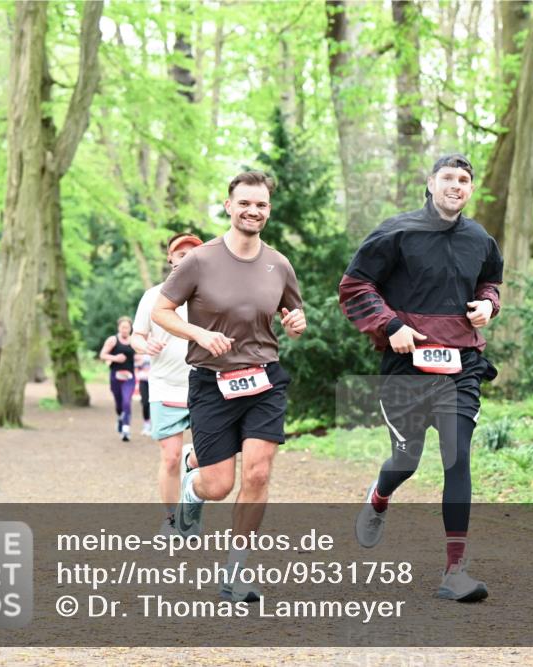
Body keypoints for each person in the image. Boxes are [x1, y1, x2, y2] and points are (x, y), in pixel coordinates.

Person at [338, 154, 503, 602]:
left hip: (461, 363)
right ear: (430, 183)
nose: (456, 185)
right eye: (448, 177)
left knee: (457, 456)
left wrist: (488, 305)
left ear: (470, 189)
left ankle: (455, 571)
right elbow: (355, 287)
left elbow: (490, 283)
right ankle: (379, 495)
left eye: (464, 179)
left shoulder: (480, 239)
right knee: (406, 460)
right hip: (405, 365)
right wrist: (391, 326)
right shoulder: (396, 232)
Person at [151, 171, 307, 603]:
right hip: (211, 383)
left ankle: (236, 573)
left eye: (260, 205)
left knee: (258, 471)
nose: (253, 211)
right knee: (218, 485)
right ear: (229, 206)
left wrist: (296, 322)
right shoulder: (199, 260)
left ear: (268, 210)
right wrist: (198, 335)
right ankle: (191, 486)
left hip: (264, 379)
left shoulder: (279, 263)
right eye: (245, 203)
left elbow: (294, 314)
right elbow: (163, 311)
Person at [131, 233, 203, 532]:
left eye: (193, 252)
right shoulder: (153, 296)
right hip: (164, 385)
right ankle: (174, 520)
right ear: (171, 259)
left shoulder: (211, 295)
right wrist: (142, 346)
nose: (186, 256)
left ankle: (192, 466)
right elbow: (137, 335)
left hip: (205, 385)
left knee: (207, 458)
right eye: (180, 252)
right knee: (170, 457)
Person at [99, 316, 137, 442]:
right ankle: (120, 418)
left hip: (129, 378)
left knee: (127, 402)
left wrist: (141, 359)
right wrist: (115, 358)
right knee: (119, 405)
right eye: (122, 327)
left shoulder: (134, 341)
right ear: (119, 328)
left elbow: (142, 354)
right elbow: (102, 355)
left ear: (131, 328)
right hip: (115, 376)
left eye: (127, 327)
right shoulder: (113, 340)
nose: (125, 330)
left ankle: (126, 429)